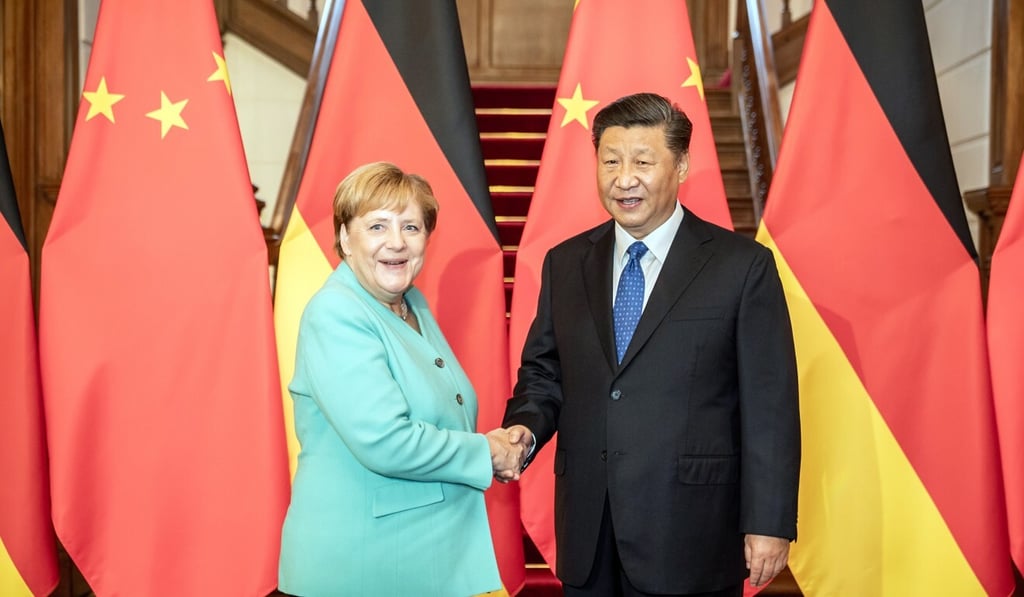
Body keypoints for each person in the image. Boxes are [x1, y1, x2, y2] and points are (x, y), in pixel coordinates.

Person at [502, 93, 800, 597]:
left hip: (692, 532)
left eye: (643, 161)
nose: (624, 179)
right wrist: (525, 430)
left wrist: (770, 520)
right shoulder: (566, 263)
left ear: (681, 165)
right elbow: (545, 372)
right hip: (589, 533)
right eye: (610, 161)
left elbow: (770, 406)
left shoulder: (742, 267)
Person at [278, 161, 523, 596]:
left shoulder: (411, 305)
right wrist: (486, 452)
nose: (396, 242)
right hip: (364, 567)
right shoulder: (337, 313)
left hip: (426, 558)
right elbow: (387, 441)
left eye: (411, 227)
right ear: (343, 239)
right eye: (377, 226)